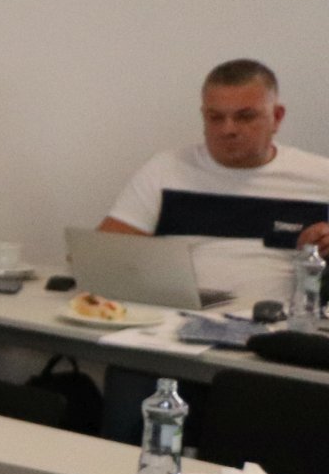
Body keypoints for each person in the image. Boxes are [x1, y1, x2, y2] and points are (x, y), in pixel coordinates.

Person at [98, 58, 329, 301]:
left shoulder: (320, 177)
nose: (228, 129)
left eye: (245, 117)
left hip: (277, 320)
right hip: (174, 316)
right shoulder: (166, 170)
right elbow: (102, 256)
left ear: (277, 117)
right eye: (215, 117)